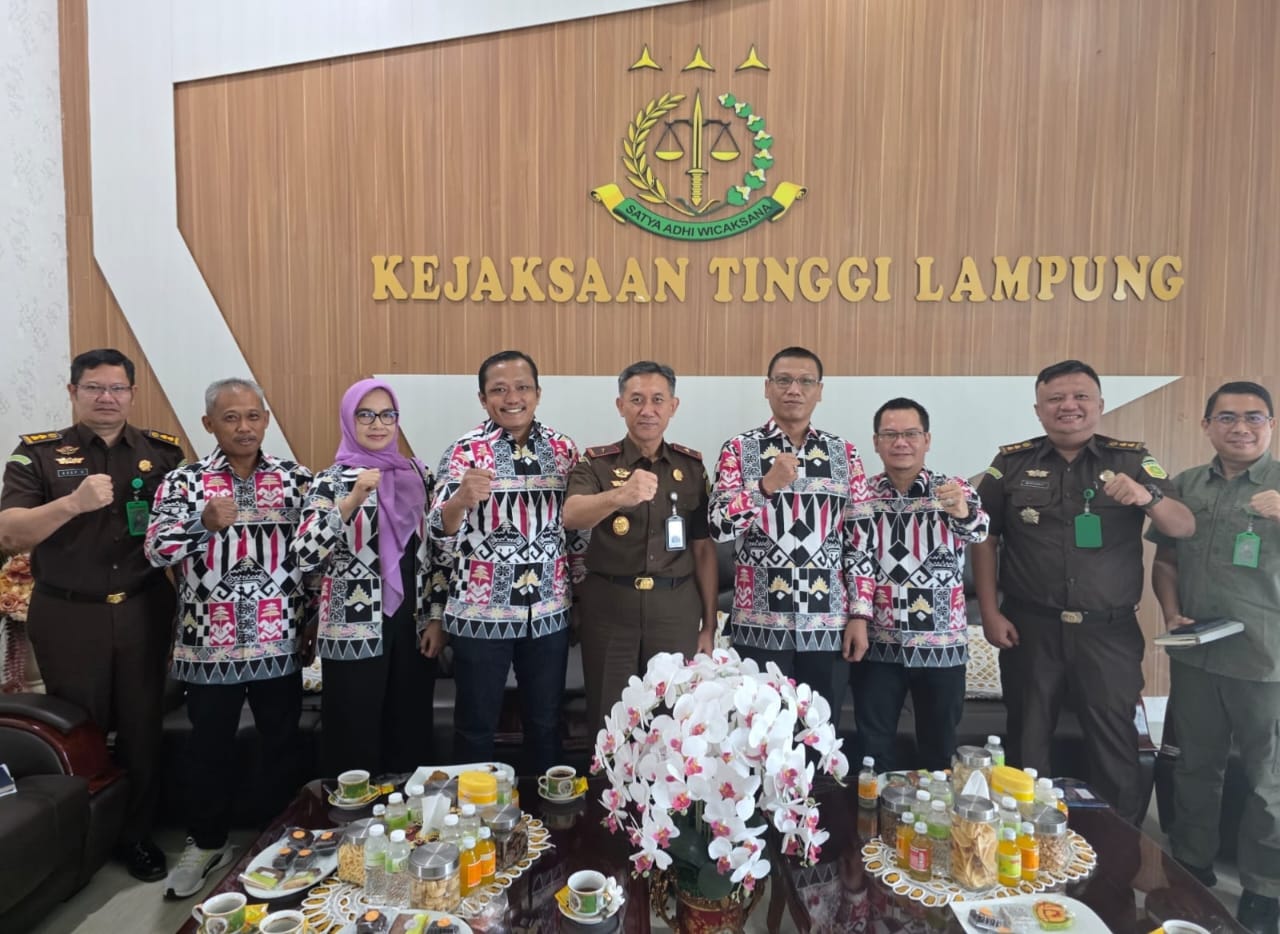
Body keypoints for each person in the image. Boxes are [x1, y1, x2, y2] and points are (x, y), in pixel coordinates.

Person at [971, 359, 1194, 823]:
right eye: (1055, 399)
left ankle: (1118, 845)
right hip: (1031, 629)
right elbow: (983, 536)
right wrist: (990, 612)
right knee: (1027, 743)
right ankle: (1027, 840)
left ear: (1100, 405)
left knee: (1114, 745)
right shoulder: (1011, 463)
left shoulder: (1132, 460)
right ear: (1038, 410)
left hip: (1108, 632)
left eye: (1080, 397)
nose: (1068, 406)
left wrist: (1148, 497)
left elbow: (1184, 526)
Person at [0, 348, 185, 881]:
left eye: (117, 388)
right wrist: (72, 504)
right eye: (94, 388)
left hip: (143, 607)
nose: (107, 398)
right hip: (69, 615)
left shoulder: (162, 453)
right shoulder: (38, 454)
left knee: (142, 727)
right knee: (80, 729)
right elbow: (10, 533)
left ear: (132, 393)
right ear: (73, 392)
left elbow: (183, 530)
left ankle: (136, 835)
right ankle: (82, 838)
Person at [145, 378, 310, 898]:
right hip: (207, 645)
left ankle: (281, 838)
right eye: (231, 417)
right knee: (209, 748)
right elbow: (154, 550)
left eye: (253, 416)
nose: (244, 427)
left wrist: (309, 621)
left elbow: (315, 556)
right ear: (209, 424)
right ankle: (207, 842)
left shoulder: (295, 479)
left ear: (266, 420)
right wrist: (201, 523)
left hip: (279, 640)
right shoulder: (184, 481)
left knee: (282, 743)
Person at [1148, 381, 1280, 934]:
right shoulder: (1185, 485)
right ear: (1206, 426)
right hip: (1198, 653)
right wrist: (1171, 611)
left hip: (1265, 659)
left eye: (1254, 417)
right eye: (1226, 417)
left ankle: (1265, 888)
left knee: (1268, 779)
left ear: (1270, 424)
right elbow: (1167, 561)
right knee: (1194, 767)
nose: (1240, 428)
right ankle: (1191, 866)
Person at [429, 351, 581, 773]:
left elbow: (578, 536)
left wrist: (580, 601)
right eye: (499, 390)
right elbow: (438, 532)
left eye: (522, 387)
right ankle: (473, 812)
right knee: (475, 728)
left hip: (548, 611)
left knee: (545, 724)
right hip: (480, 613)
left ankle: (546, 810)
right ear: (483, 399)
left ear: (538, 393)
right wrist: (460, 499)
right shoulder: (463, 451)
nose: (512, 398)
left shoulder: (564, 449)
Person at [709, 346, 874, 724]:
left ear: (820, 390)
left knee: (819, 731)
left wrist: (860, 614)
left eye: (805, 381)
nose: (794, 390)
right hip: (759, 623)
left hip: (827, 625)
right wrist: (765, 487)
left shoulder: (845, 454)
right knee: (757, 731)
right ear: (767, 387)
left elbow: (861, 542)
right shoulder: (739, 449)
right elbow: (718, 526)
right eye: (783, 380)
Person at [293, 378, 446, 777]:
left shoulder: (419, 474)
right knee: (352, 733)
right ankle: (352, 814)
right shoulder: (330, 480)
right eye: (366, 415)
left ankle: (409, 812)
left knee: (410, 731)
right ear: (349, 419)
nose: (378, 424)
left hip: (413, 624)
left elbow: (436, 554)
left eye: (387, 415)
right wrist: (351, 502)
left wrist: (436, 617)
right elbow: (306, 555)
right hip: (352, 628)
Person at [563, 361, 717, 731]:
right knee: (610, 719)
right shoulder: (596, 464)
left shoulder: (692, 468)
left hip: (675, 609)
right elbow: (572, 515)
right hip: (610, 609)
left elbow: (703, 549)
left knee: (673, 720)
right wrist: (619, 496)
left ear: (673, 406)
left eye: (657, 400)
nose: (647, 409)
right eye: (636, 400)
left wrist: (709, 626)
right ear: (620, 406)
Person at [850, 398, 989, 771]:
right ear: (876, 442)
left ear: (927, 440)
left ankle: (937, 810)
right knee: (873, 752)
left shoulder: (954, 490)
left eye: (911, 434)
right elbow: (853, 559)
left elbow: (979, 531)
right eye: (890, 434)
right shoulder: (861, 495)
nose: (901, 442)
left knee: (938, 751)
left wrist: (962, 511)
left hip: (941, 645)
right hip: (878, 644)